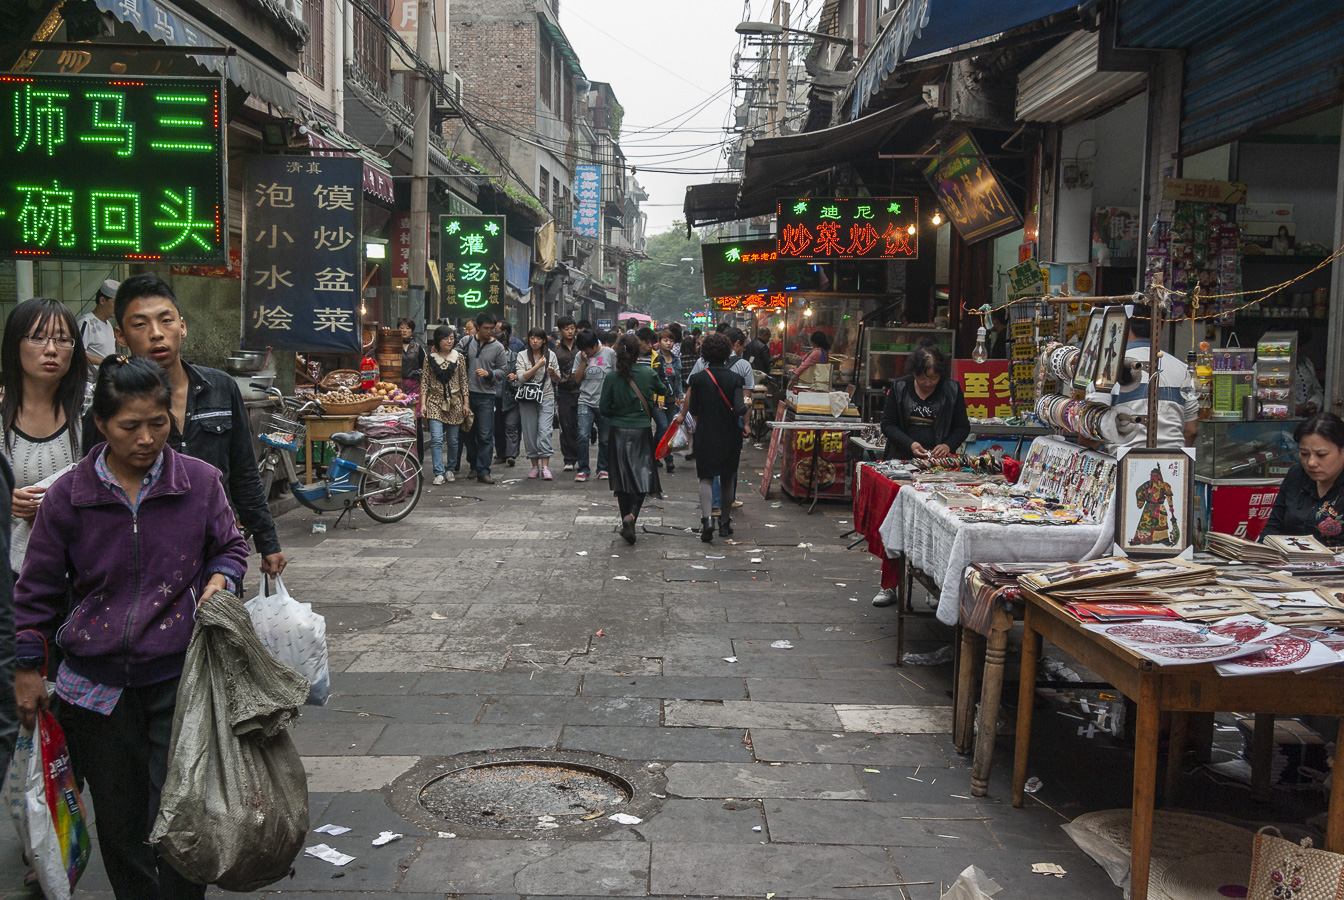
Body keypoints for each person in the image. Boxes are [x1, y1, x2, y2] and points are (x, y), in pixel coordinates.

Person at [14, 356, 250, 900]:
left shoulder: (199, 482)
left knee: (183, 814)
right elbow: (36, 593)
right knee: (121, 826)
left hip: (181, 678)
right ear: (100, 424)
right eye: (129, 427)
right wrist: (28, 669)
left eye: (158, 423)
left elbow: (231, 546)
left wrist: (223, 576)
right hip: (96, 691)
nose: (146, 438)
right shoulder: (69, 496)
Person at [85, 274, 285, 576]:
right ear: (121, 336)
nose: (156, 333)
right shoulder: (107, 408)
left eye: (166, 320)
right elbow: (93, 486)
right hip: (143, 561)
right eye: (140, 324)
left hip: (216, 553)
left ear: (183, 326)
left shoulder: (220, 387)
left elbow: (244, 471)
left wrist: (268, 541)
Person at [3, 298, 91, 575]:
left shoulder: (93, 408)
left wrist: (60, 500)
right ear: (14, 344)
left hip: (78, 565)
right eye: (38, 338)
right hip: (9, 570)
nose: (51, 350)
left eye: (64, 340)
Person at [676, 333, 748, 542]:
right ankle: (724, 523)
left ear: (705, 353)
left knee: (706, 477)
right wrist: (746, 406)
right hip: (729, 434)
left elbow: (694, 409)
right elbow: (739, 409)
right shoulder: (736, 379)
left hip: (706, 433)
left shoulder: (698, 379)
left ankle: (707, 520)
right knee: (727, 478)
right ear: (727, 354)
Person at [600, 333, 668, 544]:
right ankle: (632, 517)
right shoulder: (647, 373)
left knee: (621, 479)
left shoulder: (612, 377)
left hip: (618, 431)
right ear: (639, 352)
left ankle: (624, 519)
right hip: (642, 431)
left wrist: (618, 414)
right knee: (643, 476)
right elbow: (663, 390)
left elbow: (603, 408)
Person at [1100, 305, 1198, 449]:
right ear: (1162, 325)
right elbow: (1191, 430)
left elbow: (1094, 425)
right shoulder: (1183, 370)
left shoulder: (1108, 367)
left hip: (1123, 461)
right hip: (1175, 462)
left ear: (1125, 324)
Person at [879, 342, 970, 462]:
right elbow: (887, 424)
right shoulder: (900, 387)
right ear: (914, 373)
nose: (927, 383)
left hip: (939, 461)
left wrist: (948, 445)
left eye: (933, 378)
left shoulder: (952, 390)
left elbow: (962, 427)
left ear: (940, 375)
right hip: (902, 458)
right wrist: (910, 444)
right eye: (922, 378)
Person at [1263, 413, 1344, 546]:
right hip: (1288, 563)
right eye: (1304, 454)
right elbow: (1273, 528)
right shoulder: (1297, 475)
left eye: (1321, 455)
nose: (1311, 462)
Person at [460, 312, 507, 484]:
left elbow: (503, 371)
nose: (489, 332)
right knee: (468, 433)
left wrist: (489, 374)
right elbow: (454, 359)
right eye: (486, 328)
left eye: (492, 329)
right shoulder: (466, 342)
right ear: (478, 327)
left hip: (487, 395)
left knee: (486, 435)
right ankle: (473, 464)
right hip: (467, 395)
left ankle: (484, 470)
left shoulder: (498, 348)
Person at [420, 325, 468, 485]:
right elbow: (424, 381)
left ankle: (450, 469)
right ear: (438, 340)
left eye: (452, 338)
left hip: (455, 402)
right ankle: (438, 472)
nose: (449, 341)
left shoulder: (459, 357)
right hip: (434, 400)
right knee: (436, 438)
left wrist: (466, 404)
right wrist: (423, 404)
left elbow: (464, 382)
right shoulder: (429, 358)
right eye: (446, 338)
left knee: (453, 440)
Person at [516, 327, 560, 480]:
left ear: (543, 341)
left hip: (546, 396)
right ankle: (534, 466)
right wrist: (538, 366)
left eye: (538, 338)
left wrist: (553, 372)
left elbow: (557, 379)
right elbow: (521, 377)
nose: (535, 341)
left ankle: (545, 466)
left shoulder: (550, 355)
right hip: (527, 399)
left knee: (545, 430)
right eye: (532, 338)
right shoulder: (522, 355)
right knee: (529, 432)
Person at [572, 329, 615, 482]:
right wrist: (583, 363)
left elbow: (616, 376)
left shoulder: (609, 354)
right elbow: (576, 380)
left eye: (587, 349)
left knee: (604, 438)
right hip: (585, 400)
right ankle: (583, 468)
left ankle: (603, 467)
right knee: (583, 435)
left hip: (604, 402)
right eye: (582, 349)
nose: (585, 352)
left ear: (595, 345)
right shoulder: (580, 356)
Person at [553, 316, 581, 472]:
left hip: (581, 390)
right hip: (564, 391)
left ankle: (580, 456)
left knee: (580, 425)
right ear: (560, 331)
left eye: (572, 328)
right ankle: (569, 458)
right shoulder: (556, 350)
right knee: (566, 425)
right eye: (566, 329)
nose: (570, 331)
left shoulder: (582, 347)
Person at [493, 322, 521, 467]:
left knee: (511, 426)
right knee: (497, 428)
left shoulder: (515, 357)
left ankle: (511, 454)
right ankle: (501, 453)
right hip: (495, 397)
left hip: (511, 396)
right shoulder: (490, 358)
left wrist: (515, 377)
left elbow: (521, 374)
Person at [77, 278, 120, 370]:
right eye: (115, 303)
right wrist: (104, 362)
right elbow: (78, 352)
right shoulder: (86, 322)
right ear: (102, 301)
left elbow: (108, 351)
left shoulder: (108, 324)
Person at [397, 317, 425, 396]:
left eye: (407, 328)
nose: (404, 330)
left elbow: (424, 365)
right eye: (401, 328)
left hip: (414, 385)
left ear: (412, 330)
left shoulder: (417, 347)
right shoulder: (393, 346)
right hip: (396, 384)